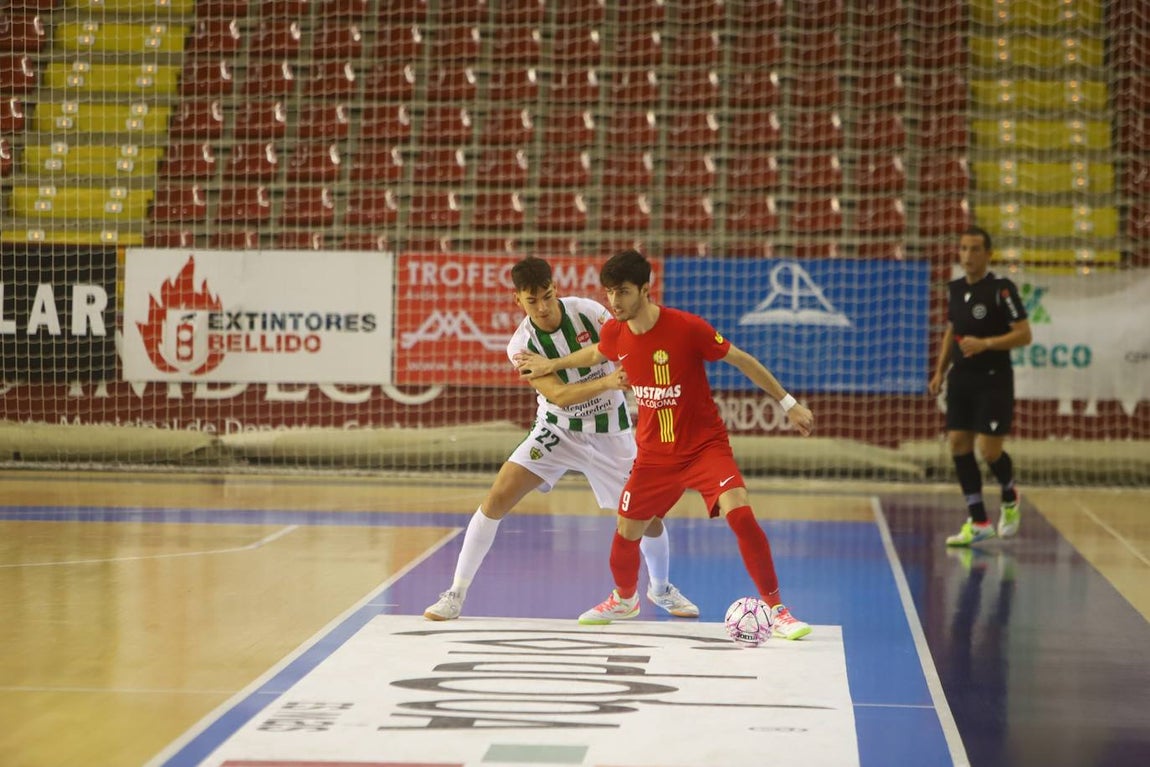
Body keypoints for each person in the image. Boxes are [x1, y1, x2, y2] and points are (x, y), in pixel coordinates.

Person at [517, 249, 815, 639]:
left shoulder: (687, 328)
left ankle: (777, 610)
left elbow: (741, 359)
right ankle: (626, 599)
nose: (614, 302)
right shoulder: (615, 332)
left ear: (645, 288)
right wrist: (551, 365)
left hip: (703, 447)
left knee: (740, 513)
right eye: (609, 293)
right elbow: (597, 351)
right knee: (626, 530)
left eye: (623, 292)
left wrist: (788, 403)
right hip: (655, 454)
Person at [423, 256, 698, 621]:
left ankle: (660, 589)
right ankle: (455, 594)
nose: (543, 307)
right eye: (532, 300)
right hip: (556, 430)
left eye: (548, 297)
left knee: (646, 517)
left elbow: (626, 341)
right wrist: (608, 381)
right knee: (497, 497)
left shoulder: (589, 312)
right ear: (517, 301)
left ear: (557, 290)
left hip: (609, 433)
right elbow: (560, 396)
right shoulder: (520, 344)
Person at [928, 226, 1031, 547]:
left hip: (994, 380)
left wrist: (986, 343)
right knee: (958, 443)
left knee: (990, 450)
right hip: (962, 378)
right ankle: (979, 520)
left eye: (975, 249)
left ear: (988, 254)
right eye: (963, 249)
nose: (968, 256)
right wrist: (940, 370)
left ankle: (1010, 495)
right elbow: (951, 331)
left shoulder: (1001, 289)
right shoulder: (956, 289)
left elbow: (1024, 334)